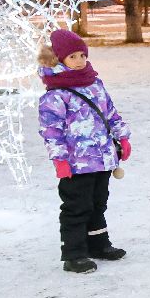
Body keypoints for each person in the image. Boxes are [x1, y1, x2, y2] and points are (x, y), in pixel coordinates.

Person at [37, 28, 131, 273]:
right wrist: (59, 160)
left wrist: (122, 137)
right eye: (72, 57)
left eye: (82, 55)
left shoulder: (95, 84)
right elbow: (51, 131)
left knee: (98, 203)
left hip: (102, 159)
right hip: (76, 163)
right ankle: (74, 253)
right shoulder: (55, 96)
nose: (79, 61)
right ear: (58, 60)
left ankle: (99, 244)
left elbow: (110, 112)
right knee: (77, 206)